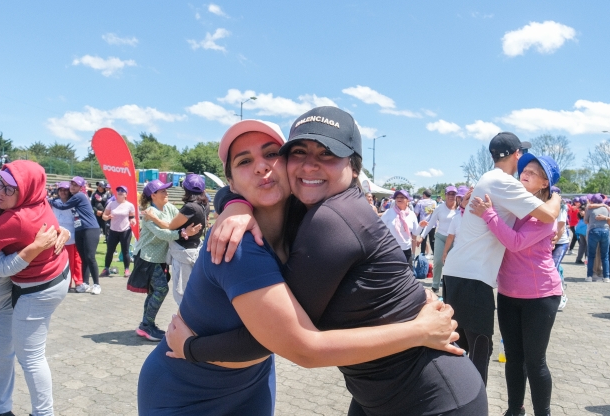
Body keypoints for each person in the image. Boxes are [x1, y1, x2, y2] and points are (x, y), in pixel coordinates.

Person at [160, 111, 487, 415]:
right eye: (298, 152)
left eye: (327, 154)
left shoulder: (331, 219)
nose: (308, 166)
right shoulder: (305, 210)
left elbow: (294, 343)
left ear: (355, 167)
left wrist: (192, 348)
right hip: (382, 392)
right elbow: (246, 186)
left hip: (434, 397)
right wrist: (233, 205)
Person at [441, 132, 560, 385]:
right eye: (522, 156)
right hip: (473, 277)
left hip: (458, 273)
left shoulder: (489, 179)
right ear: (516, 154)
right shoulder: (505, 183)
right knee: (479, 351)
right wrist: (557, 195)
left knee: (457, 348)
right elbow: (549, 214)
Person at [0, 161, 70, 416]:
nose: (0, 193)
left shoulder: (12, 220)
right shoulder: (38, 202)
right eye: (0, 185)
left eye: (9, 188)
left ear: (27, 190)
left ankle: (43, 413)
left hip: (37, 289)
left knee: (30, 357)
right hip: (55, 276)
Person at [467, 153, 563, 416]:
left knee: (534, 361)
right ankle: (514, 409)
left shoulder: (544, 217)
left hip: (541, 295)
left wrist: (488, 215)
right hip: (509, 293)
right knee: (513, 358)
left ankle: (543, 412)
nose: (526, 172)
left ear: (545, 184)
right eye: (525, 169)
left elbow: (515, 242)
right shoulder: (512, 206)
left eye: (534, 172)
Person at [127, 179, 202, 341]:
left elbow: (175, 222)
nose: (166, 193)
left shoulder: (168, 207)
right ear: (153, 195)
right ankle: (146, 326)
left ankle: (146, 325)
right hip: (147, 257)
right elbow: (163, 234)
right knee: (161, 290)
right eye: (163, 191)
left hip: (159, 258)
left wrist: (189, 227)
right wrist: (183, 233)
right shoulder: (149, 213)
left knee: (155, 291)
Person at [50, 176, 101, 294]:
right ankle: (85, 283)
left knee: (90, 257)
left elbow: (63, 206)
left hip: (90, 228)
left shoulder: (79, 196)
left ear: (80, 187)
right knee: (84, 258)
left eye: (75, 185)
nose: (73, 187)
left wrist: (49, 200)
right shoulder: (74, 197)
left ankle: (97, 284)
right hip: (79, 229)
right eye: (71, 184)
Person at [420, 186, 458, 294]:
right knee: (438, 261)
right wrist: (422, 236)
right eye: (449, 194)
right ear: (445, 195)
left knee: (451, 264)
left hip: (455, 240)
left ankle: (449, 285)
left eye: (453, 194)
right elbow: (431, 223)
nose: (451, 196)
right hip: (441, 237)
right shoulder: (439, 208)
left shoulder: (460, 209)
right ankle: (435, 285)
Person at [380, 189, 426, 267]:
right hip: (391, 250)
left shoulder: (411, 214)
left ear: (407, 200)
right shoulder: (388, 212)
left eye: (402, 197)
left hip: (406, 250)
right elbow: (379, 229)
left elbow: (415, 233)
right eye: (397, 197)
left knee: (408, 275)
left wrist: (421, 226)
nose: (399, 199)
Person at [51, 181, 83, 291]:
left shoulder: (73, 202)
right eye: (61, 190)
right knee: (59, 261)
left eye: (65, 190)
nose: (63, 192)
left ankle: (76, 282)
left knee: (74, 261)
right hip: (57, 236)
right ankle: (63, 283)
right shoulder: (53, 202)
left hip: (72, 236)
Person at [101, 185, 136, 278]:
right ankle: (106, 269)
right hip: (113, 231)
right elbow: (104, 216)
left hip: (125, 231)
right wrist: (107, 217)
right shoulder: (111, 204)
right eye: (118, 191)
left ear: (126, 194)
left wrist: (133, 221)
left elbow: (132, 217)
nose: (120, 192)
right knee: (110, 251)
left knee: (125, 251)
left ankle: (127, 269)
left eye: (122, 191)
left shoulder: (130, 205)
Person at [551, 186, 571, 311]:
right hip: (550, 241)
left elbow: (561, 227)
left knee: (553, 267)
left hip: (560, 242)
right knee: (554, 268)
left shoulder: (562, 207)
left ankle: (561, 295)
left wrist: (554, 241)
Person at [440, 185, 469, 268]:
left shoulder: (476, 216)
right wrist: (445, 252)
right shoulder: (457, 216)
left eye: (463, 197)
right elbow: (451, 236)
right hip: (458, 252)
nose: (460, 200)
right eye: (459, 197)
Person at [585, 194, 610, 282]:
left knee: (591, 255)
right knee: (605, 255)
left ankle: (589, 276)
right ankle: (606, 276)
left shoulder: (590, 208)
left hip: (593, 230)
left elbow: (586, 221)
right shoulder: (607, 208)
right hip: (605, 230)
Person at [414, 189, 437, 256]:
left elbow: (416, 214)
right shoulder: (434, 202)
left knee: (423, 241)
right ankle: (435, 255)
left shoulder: (420, 202)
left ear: (424, 195)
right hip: (432, 224)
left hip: (423, 224)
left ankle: (422, 256)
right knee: (432, 240)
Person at [574, 198, 589, 265]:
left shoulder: (581, 209)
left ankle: (580, 259)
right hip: (584, 231)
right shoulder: (585, 209)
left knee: (583, 246)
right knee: (585, 246)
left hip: (582, 230)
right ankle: (584, 259)